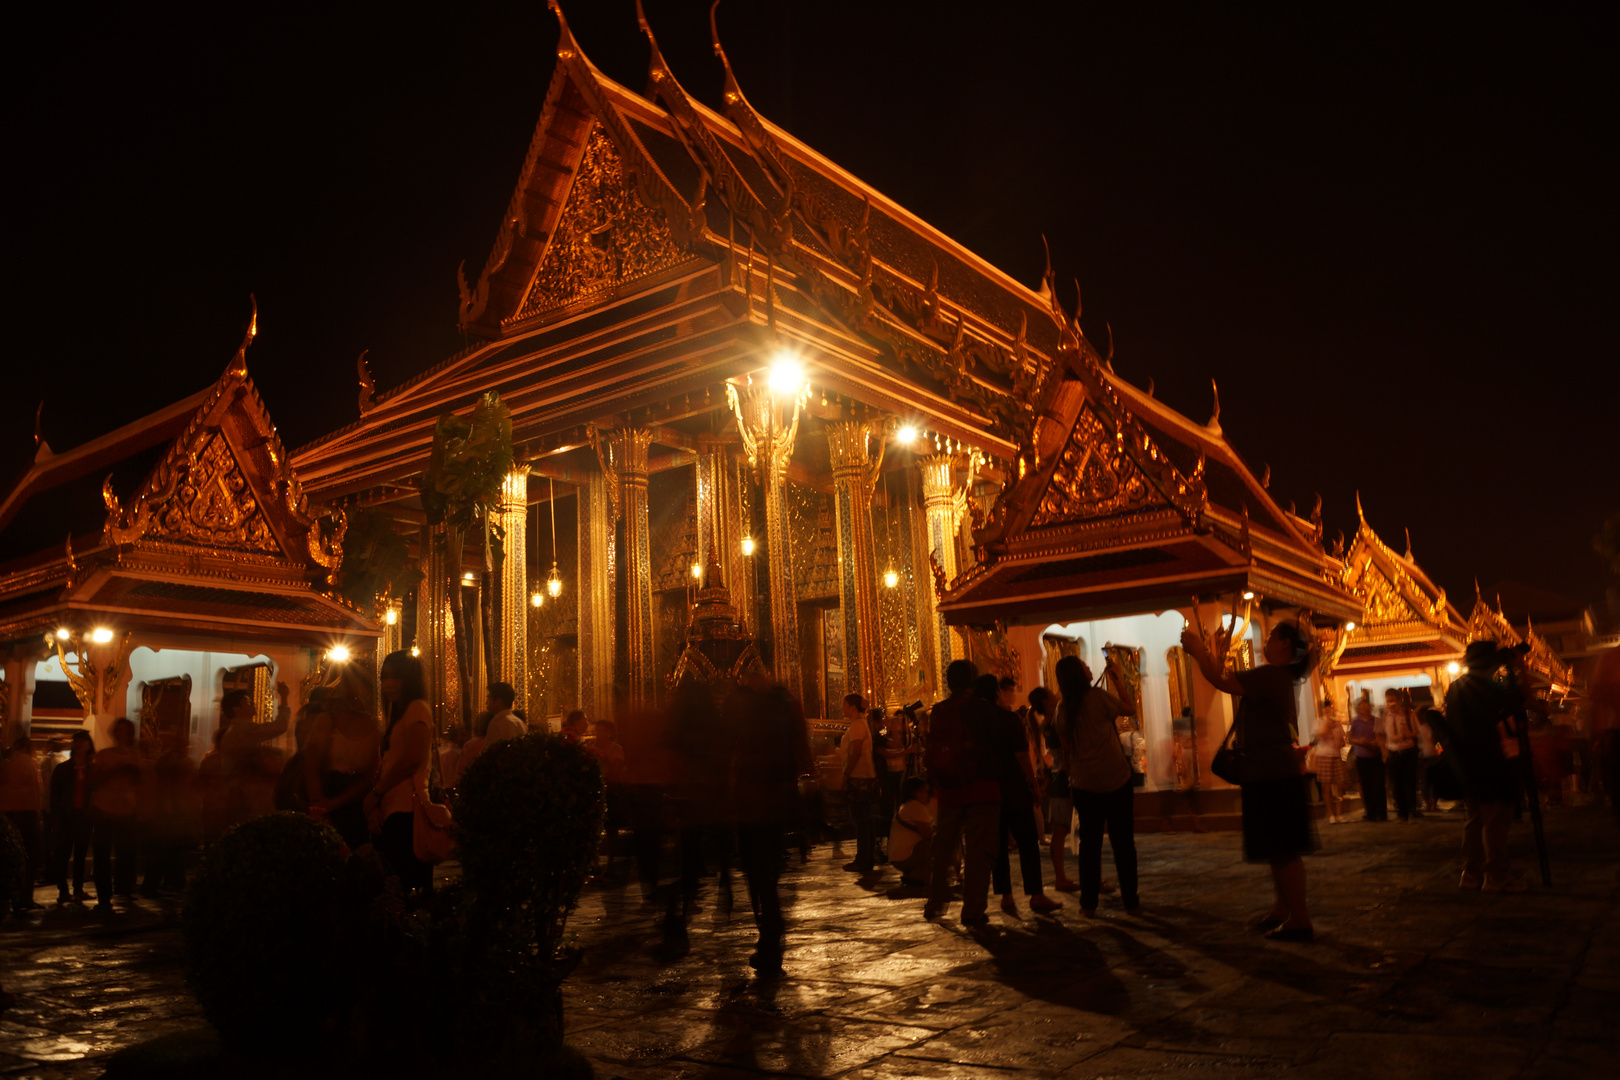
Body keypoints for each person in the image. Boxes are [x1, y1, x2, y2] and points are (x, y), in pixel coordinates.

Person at [1182, 620, 1318, 941]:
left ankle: (1300, 917)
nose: (1266, 641)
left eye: (1272, 636)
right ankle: (1282, 909)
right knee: (1277, 846)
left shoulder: (1271, 674)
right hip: (1271, 768)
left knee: (1283, 848)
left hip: (1272, 771)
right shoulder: (1280, 676)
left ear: (1285, 644)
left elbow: (1220, 680)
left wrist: (1198, 651)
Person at [724, 665, 813, 977]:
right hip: (778, 802)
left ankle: (770, 942)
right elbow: (803, 754)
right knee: (768, 878)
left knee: (760, 879)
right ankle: (770, 939)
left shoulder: (751, 712)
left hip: (753, 804)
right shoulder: (785, 706)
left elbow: (733, 751)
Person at [1430, 641, 1531, 892]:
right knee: (1496, 819)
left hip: (1466, 763)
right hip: (1494, 760)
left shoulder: (1456, 686)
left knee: (1474, 818)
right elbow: (1522, 698)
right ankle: (1496, 876)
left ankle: (1471, 873)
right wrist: (1517, 665)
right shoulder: (1497, 677)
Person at [1053, 655, 1139, 917]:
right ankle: (1130, 900)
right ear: (1080, 674)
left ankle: (1088, 904)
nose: (1090, 668)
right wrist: (1118, 680)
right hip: (1115, 780)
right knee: (1123, 843)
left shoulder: (1062, 709)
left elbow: (1066, 752)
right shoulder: (1098, 698)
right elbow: (1129, 708)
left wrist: (1073, 778)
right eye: (1084, 666)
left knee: (1089, 846)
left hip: (1084, 784)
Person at [924, 659, 1001, 925]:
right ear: (973, 682)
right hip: (981, 788)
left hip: (948, 789)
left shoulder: (939, 710)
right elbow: (995, 745)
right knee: (978, 850)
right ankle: (972, 908)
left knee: (943, 848)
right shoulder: (981, 709)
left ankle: (935, 902)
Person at [980, 674, 1061, 915]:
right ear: (997, 692)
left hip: (990, 789)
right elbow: (1021, 755)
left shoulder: (979, 722)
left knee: (1000, 845)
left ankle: (1006, 896)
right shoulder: (1007, 719)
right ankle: (1035, 894)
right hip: (1013, 788)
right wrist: (1034, 784)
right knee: (1027, 842)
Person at [365, 651, 442, 893]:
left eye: (396, 678)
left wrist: (376, 794)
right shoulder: (397, 714)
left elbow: (411, 760)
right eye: (384, 678)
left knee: (409, 887)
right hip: (392, 809)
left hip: (408, 810)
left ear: (409, 680)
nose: (388, 684)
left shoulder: (418, 709)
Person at [304, 668, 382, 851]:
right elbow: (311, 764)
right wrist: (319, 805)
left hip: (357, 801)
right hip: (327, 791)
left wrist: (337, 802)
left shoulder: (376, 727)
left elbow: (370, 775)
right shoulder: (327, 720)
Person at [220, 683, 291, 824]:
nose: (253, 704)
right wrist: (284, 697)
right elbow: (280, 726)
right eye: (247, 701)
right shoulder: (243, 728)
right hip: (246, 792)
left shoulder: (235, 730)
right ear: (237, 709)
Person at [90, 718, 143, 908]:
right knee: (102, 854)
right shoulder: (104, 755)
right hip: (104, 808)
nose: (121, 734)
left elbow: (139, 783)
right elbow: (94, 780)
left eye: (125, 731)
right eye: (118, 731)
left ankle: (124, 889)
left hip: (126, 808)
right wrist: (113, 771)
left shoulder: (135, 756)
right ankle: (104, 895)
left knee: (126, 853)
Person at [1031, 687, 1078, 892]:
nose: (1055, 696)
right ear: (1045, 702)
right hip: (1064, 778)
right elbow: (1066, 754)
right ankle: (1061, 877)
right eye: (1051, 695)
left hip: (1060, 777)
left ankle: (1062, 876)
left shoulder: (1046, 724)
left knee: (1063, 830)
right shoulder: (1054, 723)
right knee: (1061, 830)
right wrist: (1072, 781)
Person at [142, 730, 196, 894]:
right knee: (165, 851)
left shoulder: (181, 761)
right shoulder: (170, 760)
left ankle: (168, 882)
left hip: (175, 809)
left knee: (170, 851)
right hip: (169, 810)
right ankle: (163, 883)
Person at [49, 732, 95, 904]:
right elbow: (54, 795)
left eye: (83, 741)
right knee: (63, 854)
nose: (79, 744)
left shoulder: (92, 769)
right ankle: (63, 890)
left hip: (84, 816)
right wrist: (55, 817)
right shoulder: (62, 769)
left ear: (89, 745)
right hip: (66, 816)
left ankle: (78, 889)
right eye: (77, 741)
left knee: (81, 855)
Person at [0, 738, 43, 910]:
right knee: (29, 857)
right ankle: (25, 897)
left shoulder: (7, 765)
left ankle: (12, 896)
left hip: (8, 813)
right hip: (25, 813)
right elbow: (34, 791)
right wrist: (36, 813)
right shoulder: (28, 765)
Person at [840, 693, 880, 874]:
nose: (843, 708)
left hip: (859, 778)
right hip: (865, 777)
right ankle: (866, 858)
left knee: (861, 821)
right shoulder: (861, 725)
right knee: (865, 820)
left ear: (853, 708)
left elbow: (855, 753)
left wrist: (847, 774)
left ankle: (863, 859)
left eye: (845, 705)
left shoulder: (857, 726)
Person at [1382, 688, 1421, 822]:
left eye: (1392, 700)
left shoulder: (1408, 715)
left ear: (1398, 700)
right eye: (1388, 701)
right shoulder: (1385, 716)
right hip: (1393, 752)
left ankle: (1412, 809)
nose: (1390, 703)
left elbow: (1416, 732)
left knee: (1409, 781)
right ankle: (1402, 813)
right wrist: (1384, 752)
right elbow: (1382, 735)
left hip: (1408, 750)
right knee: (1396, 784)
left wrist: (1404, 735)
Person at [888, 776, 935, 887]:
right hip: (905, 857)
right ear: (915, 792)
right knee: (936, 844)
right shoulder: (916, 806)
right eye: (924, 791)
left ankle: (913, 874)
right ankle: (919, 876)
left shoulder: (906, 805)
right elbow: (926, 834)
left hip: (896, 857)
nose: (927, 795)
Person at [1348, 697, 1387, 821]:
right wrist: (1359, 741)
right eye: (1360, 705)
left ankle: (1382, 813)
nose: (1364, 707)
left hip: (1376, 755)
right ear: (1357, 708)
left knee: (1379, 784)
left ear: (1370, 706)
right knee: (1366, 785)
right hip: (1362, 757)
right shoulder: (1354, 722)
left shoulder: (1377, 720)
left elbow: (1384, 735)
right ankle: (1370, 812)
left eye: (1365, 704)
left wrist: (1379, 742)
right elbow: (1349, 738)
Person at [1311, 701, 1349, 824]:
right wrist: (1328, 724)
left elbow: (1343, 742)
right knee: (1326, 786)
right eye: (1325, 709)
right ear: (1321, 710)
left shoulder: (1337, 724)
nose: (1328, 710)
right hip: (1323, 755)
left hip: (1336, 755)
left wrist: (1340, 742)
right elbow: (1320, 735)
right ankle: (1331, 815)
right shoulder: (1318, 722)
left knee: (1341, 783)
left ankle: (1339, 813)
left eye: (1329, 708)